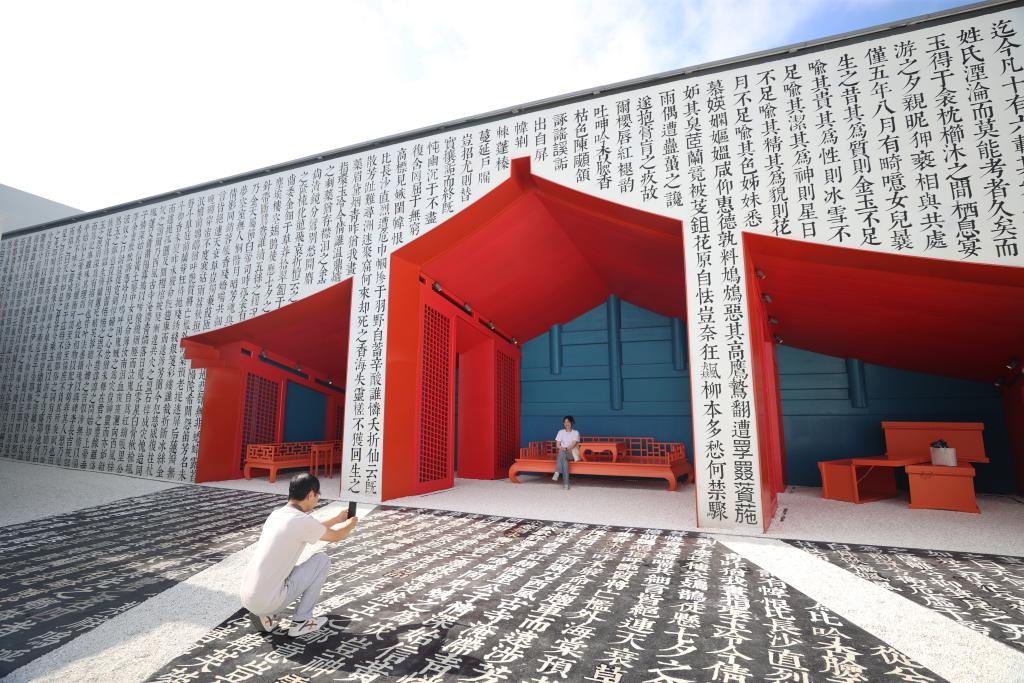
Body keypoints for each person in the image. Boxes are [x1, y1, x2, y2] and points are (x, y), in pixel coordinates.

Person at [240, 472, 358, 637]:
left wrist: (337, 519)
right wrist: (350, 525)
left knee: (280, 568)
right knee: (322, 561)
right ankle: (301, 621)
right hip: (268, 600)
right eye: (317, 495)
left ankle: (264, 615)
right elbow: (337, 536)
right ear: (310, 495)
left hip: (247, 596)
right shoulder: (302, 522)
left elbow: (312, 528)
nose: (317, 500)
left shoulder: (277, 515)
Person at [552, 415, 580, 490]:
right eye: (565, 422)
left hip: (572, 453)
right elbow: (558, 445)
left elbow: (573, 444)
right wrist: (563, 448)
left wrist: (566, 448)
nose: (566, 424)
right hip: (563, 452)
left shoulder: (575, 432)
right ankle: (566, 485)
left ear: (571, 423)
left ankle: (557, 471)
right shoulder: (560, 432)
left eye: (568, 422)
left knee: (561, 454)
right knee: (564, 462)